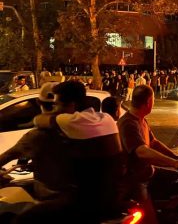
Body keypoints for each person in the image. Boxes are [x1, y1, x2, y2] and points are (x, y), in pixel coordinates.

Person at [16, 81, 124, 223]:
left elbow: (39, 119)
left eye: (57, 104)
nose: (55, 108)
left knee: (25, 219)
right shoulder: (107, 119)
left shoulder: (70, 121)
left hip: (87, 203)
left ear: (71, 105)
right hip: (114, 195)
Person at [117, 85, 178, 224]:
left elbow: (153, 142)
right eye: (153, 100)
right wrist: (174, 163)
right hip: (136, 180)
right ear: (148, 102)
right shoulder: (128, 123)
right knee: (150, 220)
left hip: (149, 172)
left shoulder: (141, 119)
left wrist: (177, 157)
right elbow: (142, 151)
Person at [0, 82, 72, 201]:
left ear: (39, 103)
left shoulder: (37, 136)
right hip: (77, 194)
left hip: (52, 197)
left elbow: (7, 156)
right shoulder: (80, 129)